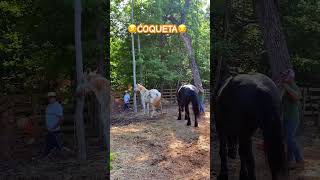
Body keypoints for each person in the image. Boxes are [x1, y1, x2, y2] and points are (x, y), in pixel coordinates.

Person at [280, 69, 304, 169]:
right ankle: (289, 160)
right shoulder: (284, 88)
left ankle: (299, 160)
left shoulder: (294, 87)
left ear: (291, 77)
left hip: (293, 118)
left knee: (290, 139)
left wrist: (286, 87)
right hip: (286, 117)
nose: (283, 77)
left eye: (285, 76)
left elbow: (297, 97)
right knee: (287, 139)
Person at [42, 92, 64, 157]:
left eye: (52, 97)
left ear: (55, 98)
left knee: (58, 146)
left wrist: (54, 127)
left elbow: (61, 119)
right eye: (49, 98)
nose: (50, 99)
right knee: (49, 147)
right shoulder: (48, 106)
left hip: (55, 131)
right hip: (49, 130)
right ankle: (47, 157)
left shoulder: (58, 106)